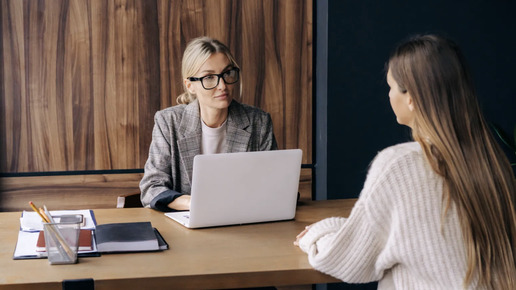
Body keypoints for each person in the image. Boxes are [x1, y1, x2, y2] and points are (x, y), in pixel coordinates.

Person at [294, 34, 516, 289]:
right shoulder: (494, 165)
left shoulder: (399, 166)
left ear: (411, 97)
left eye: (391, 87)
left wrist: (315, 236)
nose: (389, 96)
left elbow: (347, 259)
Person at [140, 36, 277, 212]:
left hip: (243, 221)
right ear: (190, 85)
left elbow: (273, 185)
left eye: (227, 73)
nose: (222, 85)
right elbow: (151, 187)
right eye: (209, 77)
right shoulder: (168, 121)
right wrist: (194, 203)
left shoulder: (258, 121)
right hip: (187, 224)